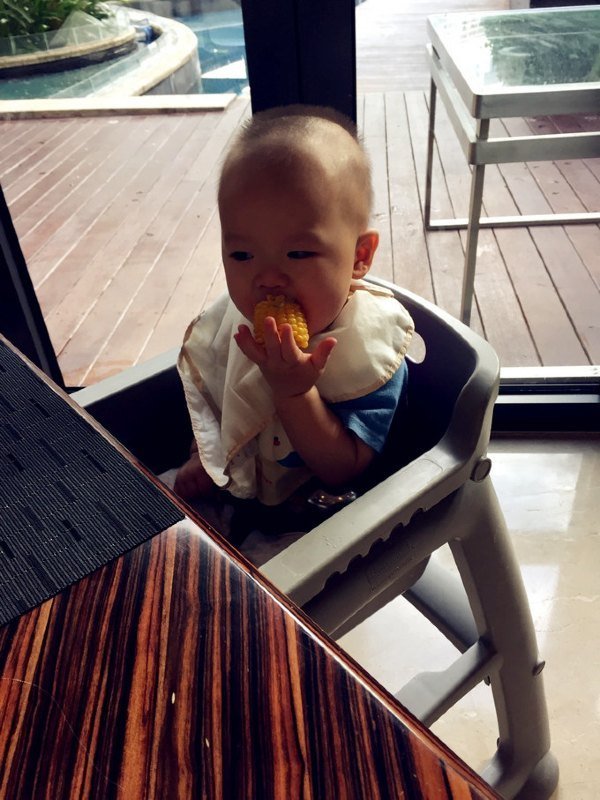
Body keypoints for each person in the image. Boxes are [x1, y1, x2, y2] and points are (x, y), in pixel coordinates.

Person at [172, 104, 414, 548]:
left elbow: (342, 468)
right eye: (242, 255)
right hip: (239, 492)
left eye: (298, 254)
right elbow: (220, 397)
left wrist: (295, 392)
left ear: (359, 256)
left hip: (317, 522)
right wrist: (201, 455)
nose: (267, 278)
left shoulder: (368, 350)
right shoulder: (237, 324)